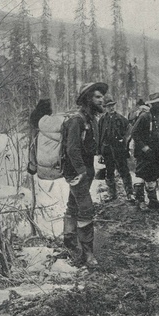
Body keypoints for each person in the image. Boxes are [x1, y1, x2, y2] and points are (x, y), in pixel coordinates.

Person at [62, 82, 107, 267]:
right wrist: (81, 171)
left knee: (73, 206)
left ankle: (70, 245)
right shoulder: (77, 120)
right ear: (88, 99)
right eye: (97, 97)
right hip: (76, 171)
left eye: (101, 97)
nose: (102, 99)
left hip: (85, 170)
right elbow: (72, 149)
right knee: (86, 208)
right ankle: (87, 254)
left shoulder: (90, 119)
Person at [132, 92, 159, 210]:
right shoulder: (145, 116)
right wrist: (144, 147)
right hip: (144, 151)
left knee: (153, 175)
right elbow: (134, 133)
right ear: (152, 105)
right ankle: (140, 201)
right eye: (158, 103)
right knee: (141, 175)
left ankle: (153, 201)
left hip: (155, 150)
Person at [97, 94, 134, 202]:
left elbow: (129, 131)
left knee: (124, 171)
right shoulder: (102, 120)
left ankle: (130, 193)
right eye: (108, 106)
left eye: (112, 105)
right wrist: (99, 153)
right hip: (107, 150)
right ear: (105, 108)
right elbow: (99, 137)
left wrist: (124, 142)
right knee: (109, 172)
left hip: (119, 149)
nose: (111, 108)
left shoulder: (121, 118)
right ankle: (112, 194)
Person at [27, 98, 52, 175]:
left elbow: (32, 148)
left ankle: (33, 167)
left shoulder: (34, 114)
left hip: (37, 133)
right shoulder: (48, 116)